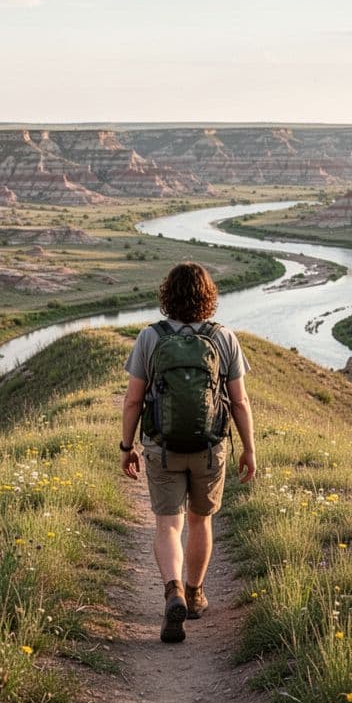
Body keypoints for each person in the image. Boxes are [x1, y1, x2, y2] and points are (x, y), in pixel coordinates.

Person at [120, 262, 256, 644]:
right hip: (209, 448)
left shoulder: (150, 337)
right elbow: (240, 402)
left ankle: (173, 591)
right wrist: (249, 449)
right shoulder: (223, 337)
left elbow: (132, 401)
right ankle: (194, 595)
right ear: (209, 296)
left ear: (167, 295)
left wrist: (127, 447)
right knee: (200, 521)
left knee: (168, 525)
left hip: (162, 448)